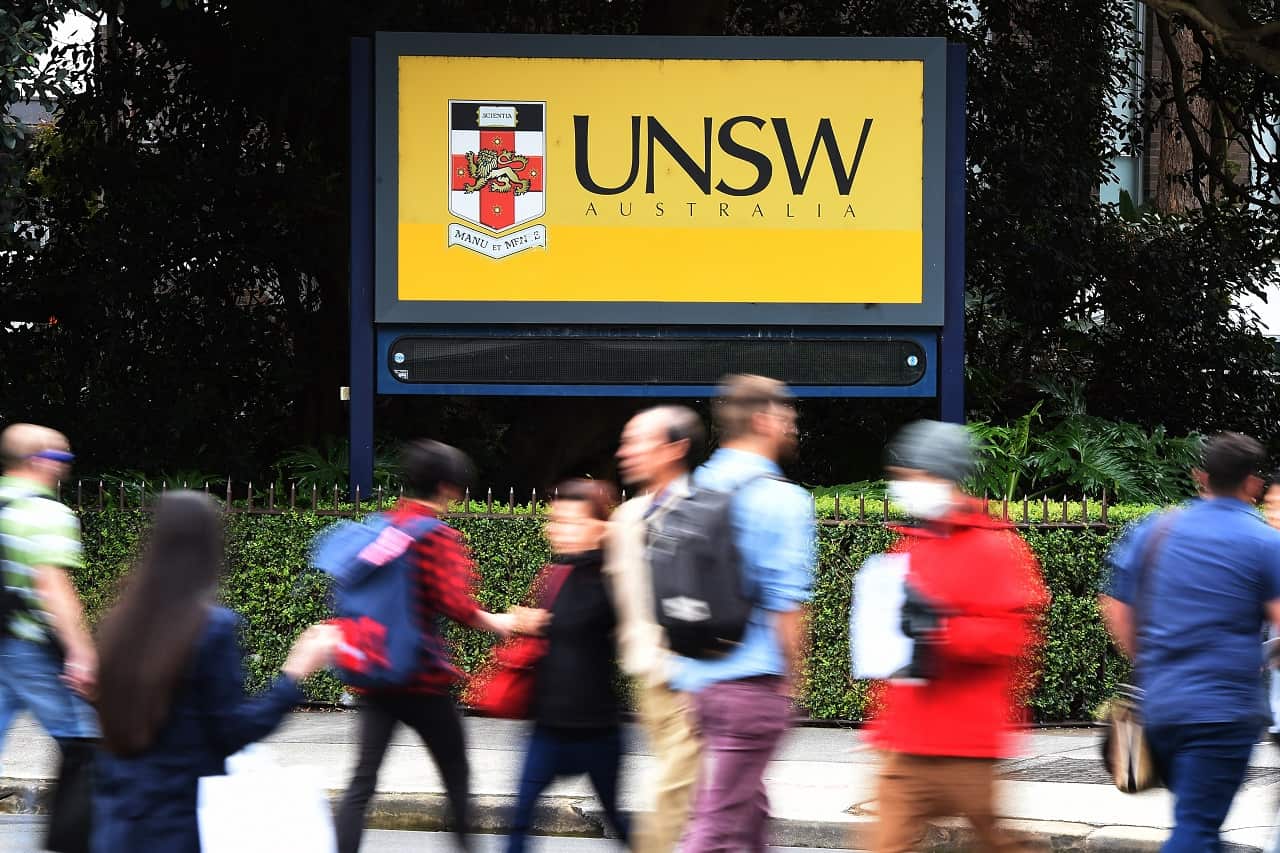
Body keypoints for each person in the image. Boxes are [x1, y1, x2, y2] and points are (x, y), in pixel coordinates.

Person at [92, 490, 338, 852]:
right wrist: (296, 671)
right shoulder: (211, 627)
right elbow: (233, 730)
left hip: (119, 822)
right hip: (183, 822)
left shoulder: (119, 624)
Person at [864, 420, 1048, 853]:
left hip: (964, 742)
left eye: (912, 476)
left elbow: (1012, 637)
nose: (903, 485)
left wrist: (941, 631)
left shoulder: (996, 547)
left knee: (997, 843)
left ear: (942, 476)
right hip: (905, 740)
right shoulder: (908, 546)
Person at [1101, 432, 1280, 853]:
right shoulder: (1264, 543)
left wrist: (1150, 660)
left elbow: (1114, 605)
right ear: (1253, 483)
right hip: (1220, 714)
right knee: (1196, 830)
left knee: (1200, 821)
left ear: (1201, 476)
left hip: (1158, 708)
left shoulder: (1155, 529)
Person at [335, 440, 515, 853]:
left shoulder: (380, 526)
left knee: (361, 782)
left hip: (374, 674)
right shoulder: (434, 535)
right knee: (456, 774)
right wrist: (501, 623)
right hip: (420, 679)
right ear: (449, 488)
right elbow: (458, 605)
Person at [671, 375, 816, 853]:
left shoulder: (693, 489)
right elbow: (785, 603)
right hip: (750, 686)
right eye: (787, 415)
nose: (792, 425)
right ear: (762, 420)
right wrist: (791, 681)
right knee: (714, 827)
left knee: (746, 814)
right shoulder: (782, 499)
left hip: (700, 680)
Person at [506, 479, 630, 853]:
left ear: (599, 528)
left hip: (597, 731)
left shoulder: (613, 580)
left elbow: (601, 621)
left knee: (617, 822)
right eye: (556, 521)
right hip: (548, 728)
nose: (557, 530)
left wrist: (542, 622)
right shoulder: (556, 575)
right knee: (520, 821)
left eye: (571, 522)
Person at [607, 406, 705, 853]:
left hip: (692, 680)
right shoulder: (627, 518)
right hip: (648, 680)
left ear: (675, 448)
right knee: (702, 798)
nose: (625, 452)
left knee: (672, 796)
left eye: (637, 441)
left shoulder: (705, 510)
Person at [0, 424, 99, 776]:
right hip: (29, 649)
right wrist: (82, 654)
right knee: (87, 742)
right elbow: (52, 586)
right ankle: (87, 828)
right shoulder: (45, 513)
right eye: (61, 456)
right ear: (39, 460)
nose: (65, 464)